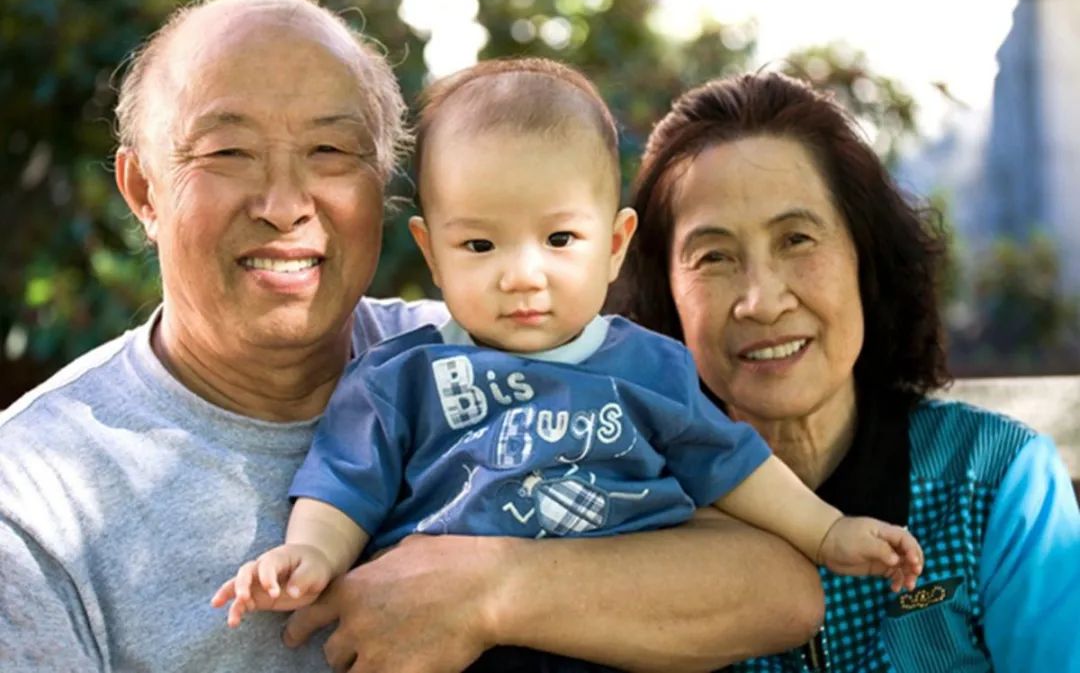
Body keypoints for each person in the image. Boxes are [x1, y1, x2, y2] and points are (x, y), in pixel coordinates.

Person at [0, 0, 828, 673]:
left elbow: (777, 589)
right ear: (143, 190)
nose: (286, 204)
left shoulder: (486, 349)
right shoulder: (37, 499)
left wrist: (491, 587)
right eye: (228, 153)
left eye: (331, 150)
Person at [211, 59, 923, 669]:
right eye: (480, 246)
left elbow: (734, 466)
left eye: (559, 238)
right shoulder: (402, 378)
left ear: (614, 244)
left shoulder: (650, 368)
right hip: (452, 651)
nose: (523, 275)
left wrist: (829, 530)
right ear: (430, 252)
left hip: (619, 634)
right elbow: (344, 484)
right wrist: (309, 554)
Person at [618, 71, 1080, 672]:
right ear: (666, 295)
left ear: (865, 256)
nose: (763, 299)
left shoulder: (994, 480)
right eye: (714, 257)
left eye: (797, 239)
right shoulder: (631, 505)